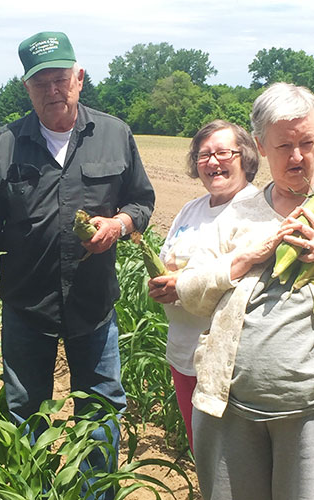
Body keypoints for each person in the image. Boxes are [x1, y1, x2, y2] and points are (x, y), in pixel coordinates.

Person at [0, 31, 155, 498]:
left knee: (101, 408)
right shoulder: (6, 143)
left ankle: (95, 493)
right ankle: (31, 491)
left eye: (61, 79)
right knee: (23, 409)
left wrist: (122, 224)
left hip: (93, 305)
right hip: (27, 303)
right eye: (41, 83)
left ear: (79, 79)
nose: (53, 90)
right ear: (27, 87)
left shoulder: (114, 133)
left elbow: (142, 201)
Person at [175, 82, 314, 500]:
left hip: (307, 414)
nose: (297, 156)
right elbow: (191, 291)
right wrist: (244, 258)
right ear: (260, 146)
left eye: (307, 142)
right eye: (283, 145)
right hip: (229, 405)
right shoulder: (240, 210)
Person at [148, 120, 259, 450]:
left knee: (233, 460)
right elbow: (165, 260)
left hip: (226, 366)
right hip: (182, 354)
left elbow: (241, 288)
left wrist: (180, 286)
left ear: (246, 157)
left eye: (223, 152)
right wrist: (158, 284)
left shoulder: (255, 211)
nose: (213, 162)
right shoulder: (190, 210)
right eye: (203, 155)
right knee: (203, 451)